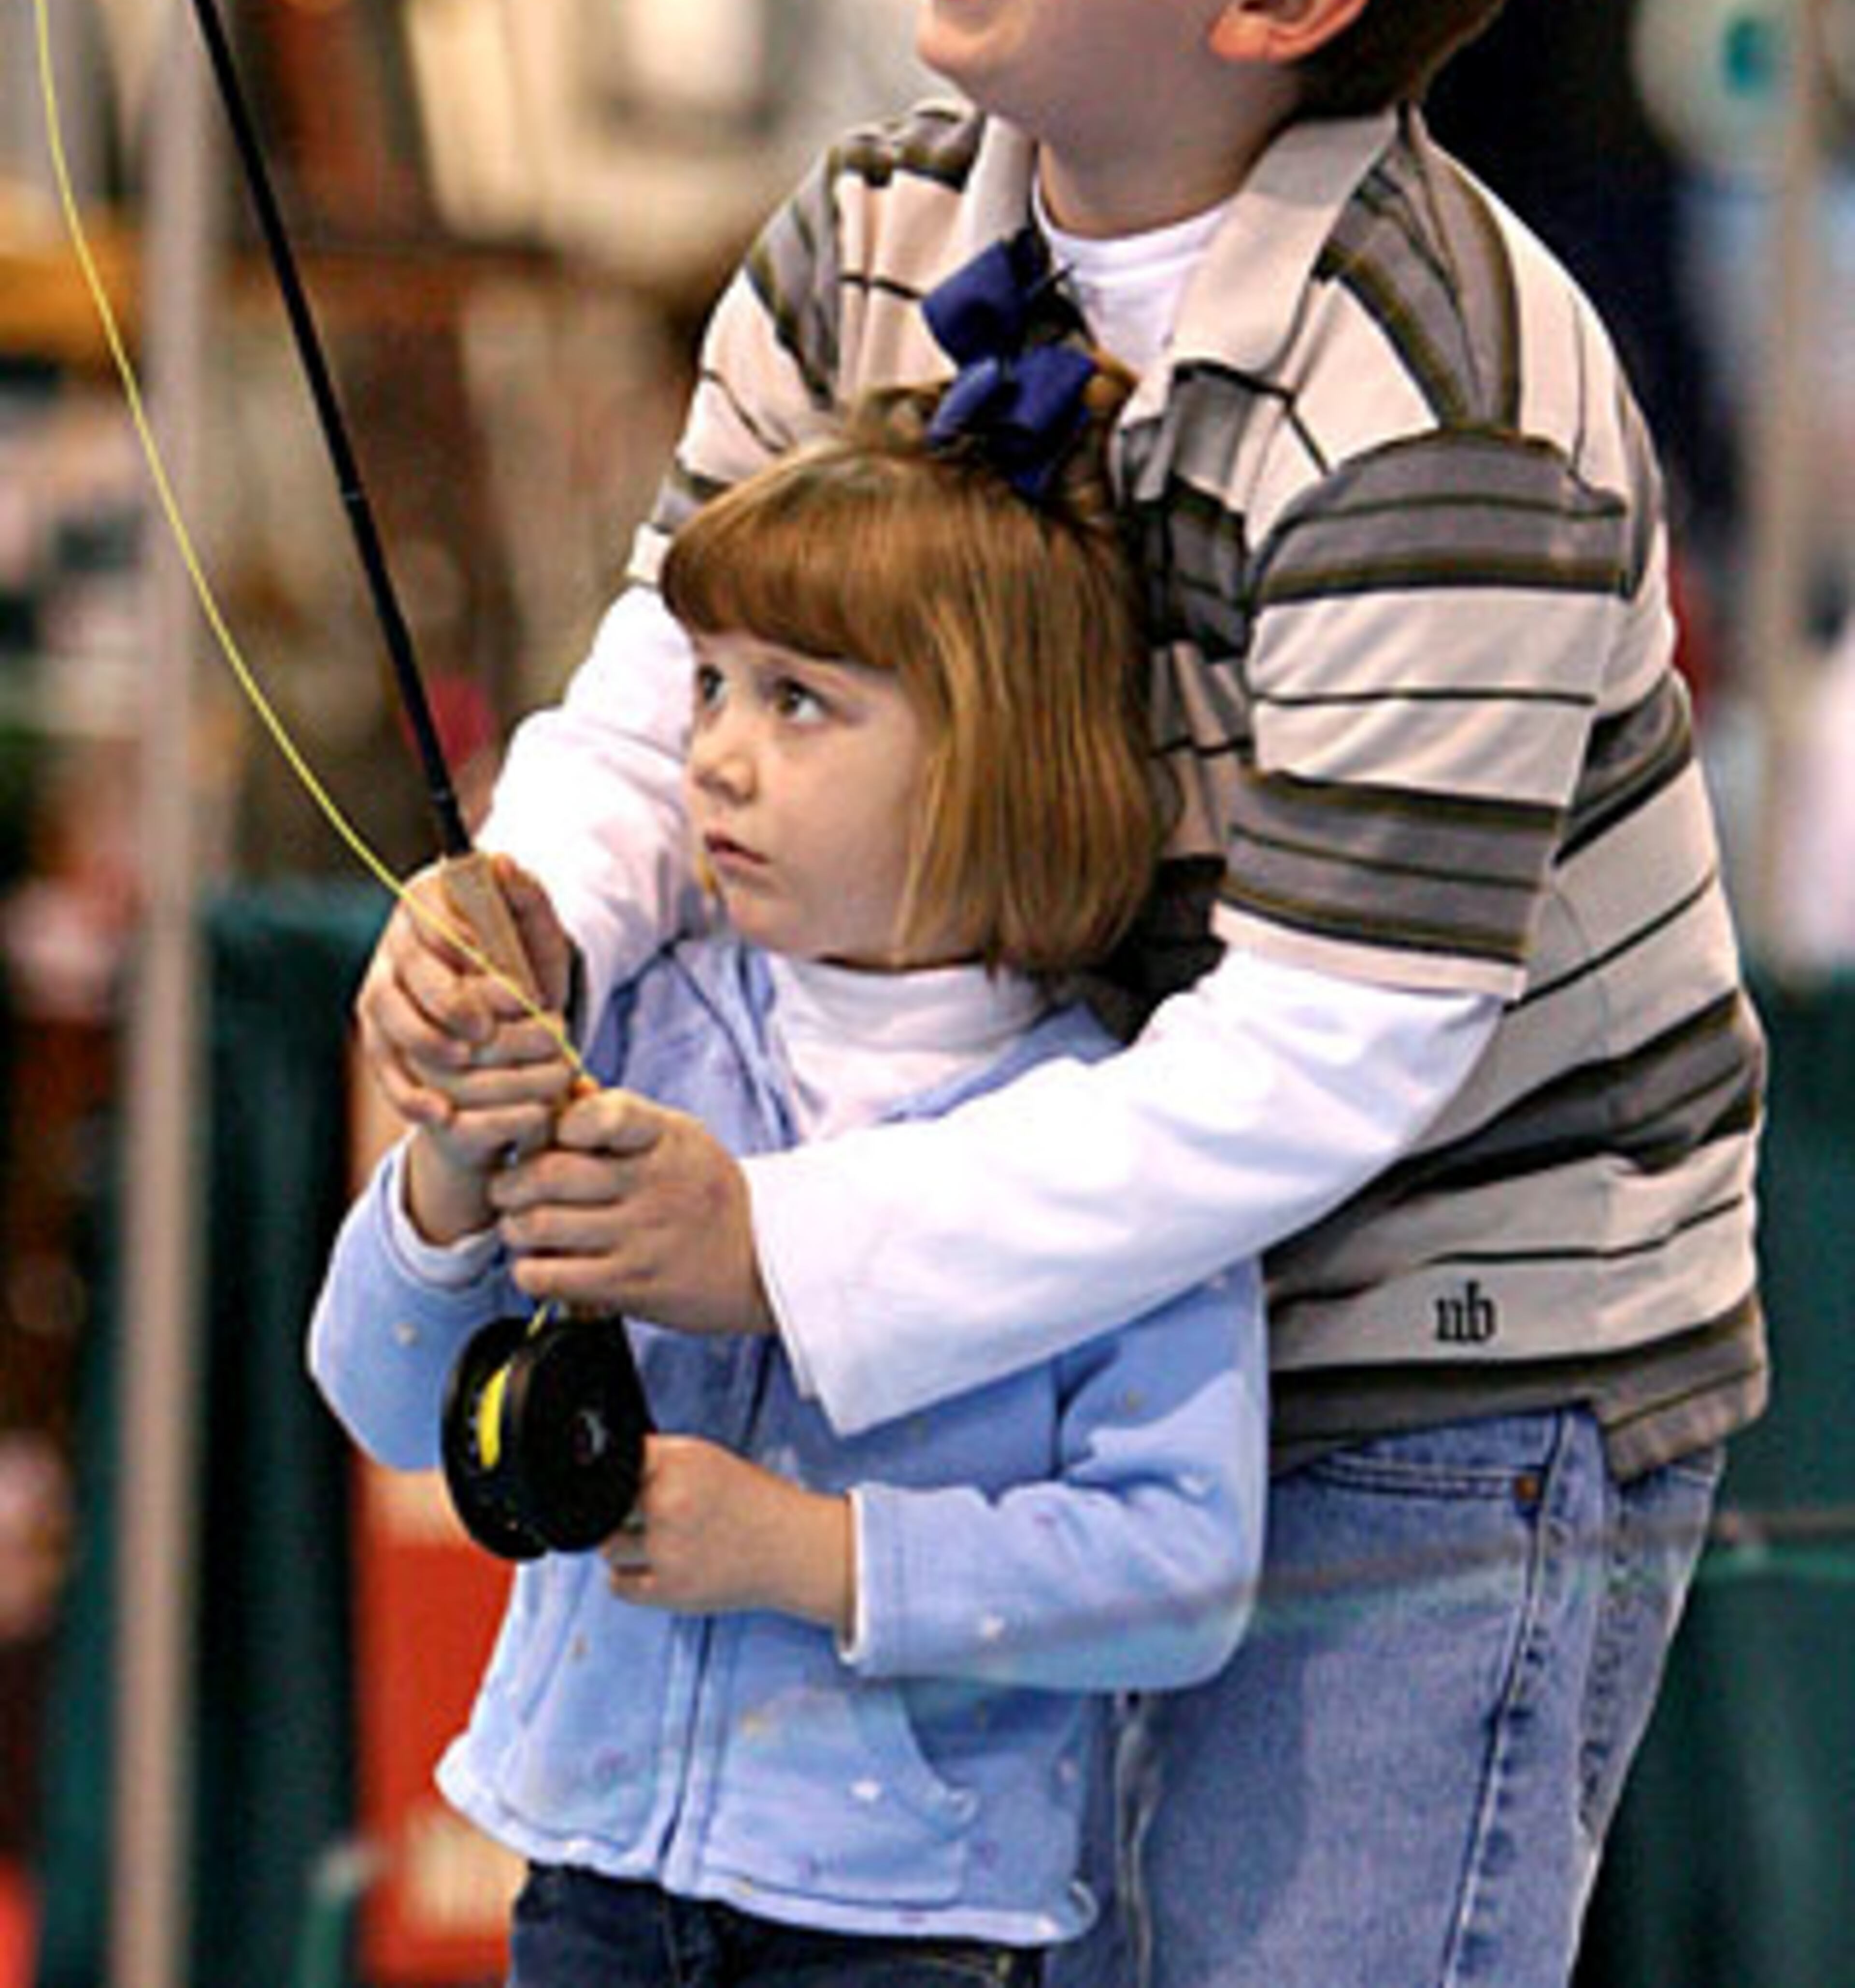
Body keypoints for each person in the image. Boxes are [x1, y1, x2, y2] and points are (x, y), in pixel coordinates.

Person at [356, 0, 1766, 1987]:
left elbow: (1330, 1048)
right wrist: (535, 904)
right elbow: (666, 667)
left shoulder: (1446, 400)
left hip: (1432, 1351)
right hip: (1019, 1276)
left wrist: (783, 1248)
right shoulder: (867, 237)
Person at [313, 372, 1266, 1986]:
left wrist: (813, 1552)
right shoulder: (628, 1025)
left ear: (993, 755)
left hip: (912, 1932)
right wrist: (452, 1174)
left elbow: (1180, 1573)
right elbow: (385, 1404)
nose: (717, 759)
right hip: (588, 1882)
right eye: (709, 687)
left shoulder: (1109, 1145)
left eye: (797, 701)